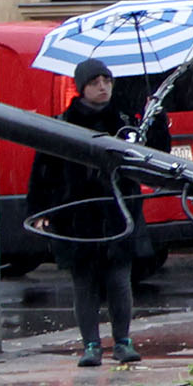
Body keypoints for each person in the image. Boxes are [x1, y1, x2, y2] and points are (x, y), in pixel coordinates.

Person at [26, 58, 164, 366]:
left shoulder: (125, 122)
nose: (103, 87)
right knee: (85, 283)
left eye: (107, 81)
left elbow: (155, 156)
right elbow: (43, 173)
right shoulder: (62, 123)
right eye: (95, 82)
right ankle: (91, 345)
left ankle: (122, 342)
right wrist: (40, 210)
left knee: (119, 281)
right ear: (82, 88)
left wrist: (156, 118)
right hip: (77, 220)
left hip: (118, 215)